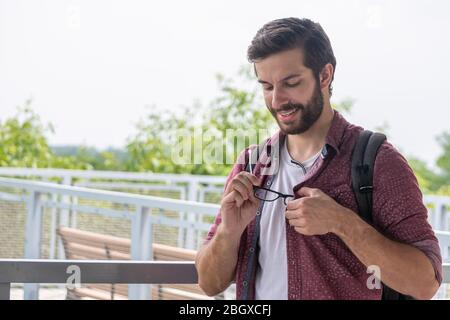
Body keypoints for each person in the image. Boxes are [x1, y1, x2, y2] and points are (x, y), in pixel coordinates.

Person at [195, 17, 442, 300]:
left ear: (325, 76)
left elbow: (425, 283)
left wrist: (343, 223)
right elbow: (209, 284)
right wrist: (230, 231)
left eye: (291, 83)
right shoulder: (253, 163)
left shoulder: (378, 163)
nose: (277, 101)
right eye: (267, 86)